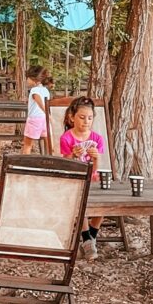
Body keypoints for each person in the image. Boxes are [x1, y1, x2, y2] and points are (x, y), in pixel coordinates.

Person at [58, 96, 106, 260]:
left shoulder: (97, 138)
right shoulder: (66, 138)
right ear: (72, 117)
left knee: (105, 200)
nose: (86, 121)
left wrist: (96, 158)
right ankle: (87, 238)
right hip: (74, 178)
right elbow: (65, 163)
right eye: (82, 117)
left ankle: (90, 235)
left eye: (90, 118)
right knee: (80, 200)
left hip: (92, 177)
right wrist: (72, 154)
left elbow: (96, 169)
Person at [21, 65, 50, 155]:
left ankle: (24, 163)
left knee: (27, 144)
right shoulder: (45, 90)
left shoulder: (34, 90)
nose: (27, 81)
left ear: (34, 79)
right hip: (44, 120)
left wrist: (45, 110)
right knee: (48, 144)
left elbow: (39, 100)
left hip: (34, 119)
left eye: (28, 78)